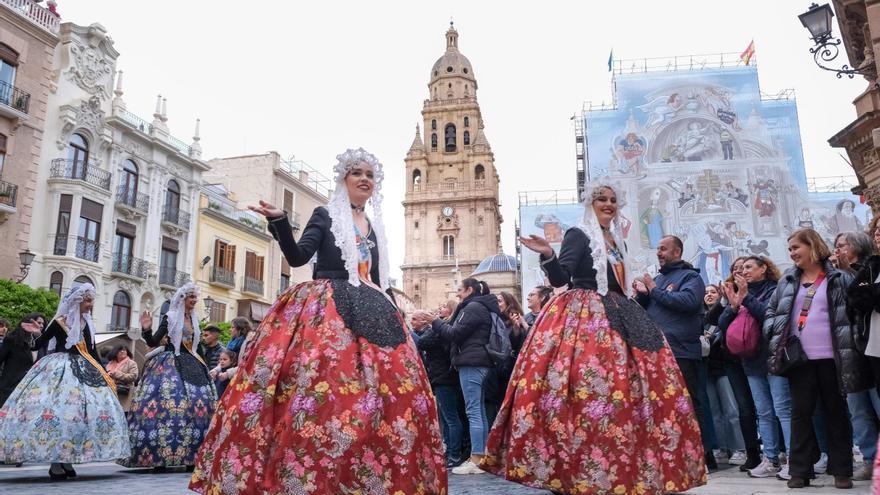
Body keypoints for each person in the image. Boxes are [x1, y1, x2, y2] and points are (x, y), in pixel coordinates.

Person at [190, 148, 446, 494]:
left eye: (370, 175)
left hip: (375, 309)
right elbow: (298, 255)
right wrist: (280, 220)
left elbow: (379, 277)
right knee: (321, 388)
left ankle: (376, 473)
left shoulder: (373, 226)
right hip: (327, 308)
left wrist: (398, 311)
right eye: (357, 173)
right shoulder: (325, 215)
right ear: (344, 179)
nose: (364, 179)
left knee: (390, 393)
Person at [481, 182, 706, 494]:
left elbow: (620, 282)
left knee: (631, 392)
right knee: (587, 391)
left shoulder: (616, 239)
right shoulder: (578, 233)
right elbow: (562, 277)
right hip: (586, 316)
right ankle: (575, 467)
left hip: (622, 313)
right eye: (602, 198)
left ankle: (626, 466)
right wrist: (548, 253)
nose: (609, 204)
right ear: (591, 203)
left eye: (614, 199)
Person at [765, 228, 869, 489]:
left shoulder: (839, 278)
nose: (792, 254)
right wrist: (774, 333)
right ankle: (800, 470)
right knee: (801, 413)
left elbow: (855, 311)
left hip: (834, 357)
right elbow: (771, 311)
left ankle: (841, 470)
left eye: (795, 248)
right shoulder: (787, 279)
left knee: (835, 412)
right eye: (789, 249)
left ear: (811, 246)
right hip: (799, 359)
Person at [0, 284, 130, 480]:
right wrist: (31, 332)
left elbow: (92, 352)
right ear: (76, 301)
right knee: (59, 414)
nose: (90, 304)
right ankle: (55, 463)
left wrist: (103, 373)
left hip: (84, 370)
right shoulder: (60, 323)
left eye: (91, 300)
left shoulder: (88, 323)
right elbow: (39, 344)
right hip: (60, 370)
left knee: (78, 416)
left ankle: (67, 459)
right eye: (87, 300)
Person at [635, 235, 717, 470]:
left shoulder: (691, 277)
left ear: (677, 252)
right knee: (663, 404)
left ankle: (703, 452)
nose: (659, 252)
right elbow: (650, 307)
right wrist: (642, 295)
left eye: (663, 249)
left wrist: (653, 289)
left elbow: (689, 302)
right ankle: (673, 451)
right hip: (657, 353)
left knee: (691, 402)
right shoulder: (659, 279)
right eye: (657, 249)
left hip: (682, 352)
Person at [120, 282, 217, 470]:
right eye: (191, 297)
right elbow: (153, 341)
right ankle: (161, 456)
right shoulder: (171, 317)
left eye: (195, 297)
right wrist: (146, 328)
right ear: (182, 299)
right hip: (171, 364)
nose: (194, 300)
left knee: (198, 409)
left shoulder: (195, 319)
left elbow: (197, 347)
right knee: (168, 408)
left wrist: (206, 368)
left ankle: (192, 456)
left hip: (194, 365)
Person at [412, 278, 500, 476]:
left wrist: (434, 321)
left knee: (473, 412)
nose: (457, 294)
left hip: (472, 362)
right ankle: (480, 455)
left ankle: (477, 458)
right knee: (477, 411)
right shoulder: (480, 306)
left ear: (469, 290)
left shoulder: (473, 307)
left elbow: (454, 334)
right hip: (479, 362)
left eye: (460, 290)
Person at [717, 256, 785, 478]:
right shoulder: (739, 294)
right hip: (751, 362)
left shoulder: (775, 289)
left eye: (749, 267)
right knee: (764, 412)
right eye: (742, 268)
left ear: (764, 268)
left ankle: (793, 457)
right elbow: (723, 326)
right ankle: (770, 459)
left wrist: (746, 297)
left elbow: (768, 316)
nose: (744, 271)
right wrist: (733, 306)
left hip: (773, 358)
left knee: (783, 410)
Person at [832, 230, 880, 481]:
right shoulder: (832, 275)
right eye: (836, 246)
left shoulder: (870, 269)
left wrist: (845, 274)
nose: (837, 250)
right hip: (847, 350)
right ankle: (870, 458)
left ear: (859, 246)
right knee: (858, 409)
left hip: (869, 346)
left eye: (843, 245)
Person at [415, 299, 464, 468]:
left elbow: (423, 342)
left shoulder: (443, 328)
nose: (439, 309)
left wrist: (432, 323)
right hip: (443, 377)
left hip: (444, 377)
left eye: (443, 307)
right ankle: (451, 451)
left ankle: (454, 453)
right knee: (447, 417)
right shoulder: (443, 327)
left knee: (450, 418)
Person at [703, 284, 746, 467]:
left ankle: (739, 448)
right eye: (706, 293)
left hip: (723, 366)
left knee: (731, 410)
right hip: (707, 368)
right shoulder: (701, 316)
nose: (709, 295)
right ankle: (721, 447)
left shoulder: (724, 311)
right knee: (714, 412)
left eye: (713, 292)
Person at [0, 313, 43, 407]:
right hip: (9, 389)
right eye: (39, 322)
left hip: (29, 392)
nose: (41, 325)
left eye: (42, 323)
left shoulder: (40, 345)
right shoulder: (12, 340)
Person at [106, 345, 139, 411]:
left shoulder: (131, 363)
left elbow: (133, 376)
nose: (123, 351)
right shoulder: (110, 364)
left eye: (124, 350)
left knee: (123, 412)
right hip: (110, 393)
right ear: (115, 353)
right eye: (120, 350)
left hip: (125, 393)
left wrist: (117, 374)